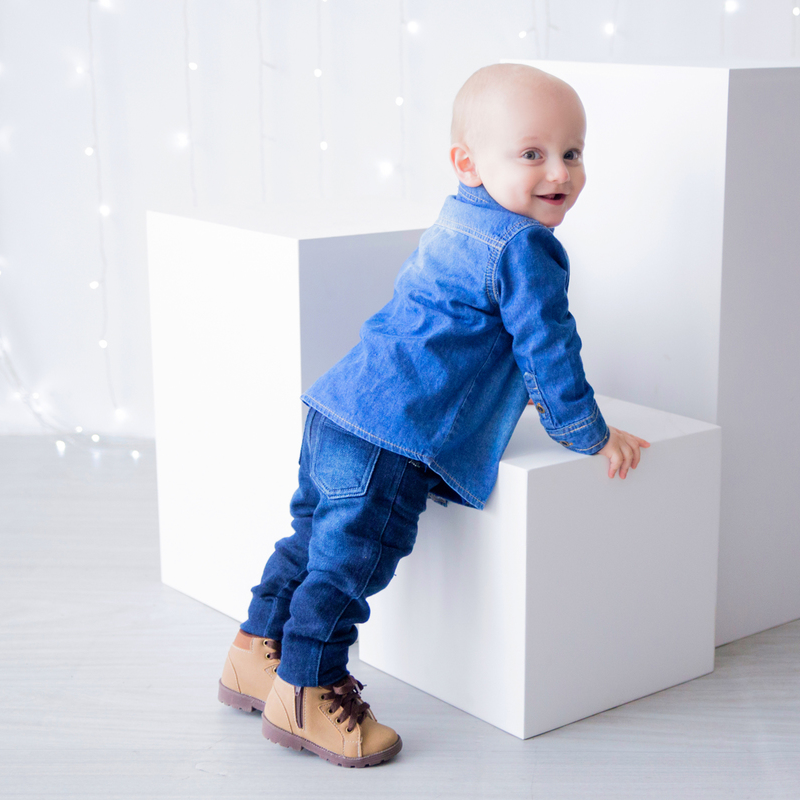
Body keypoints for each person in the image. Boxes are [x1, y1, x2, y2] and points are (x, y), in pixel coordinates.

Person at [216, 63, 650, 768]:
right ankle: (305, 691)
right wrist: (587, 432)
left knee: (310, 542)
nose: (560, 172)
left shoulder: (459, 219)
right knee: (347, 571)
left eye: (573, 153)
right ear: (467, 163)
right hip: (393, 436)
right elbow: (549, 347)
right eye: (532, 153)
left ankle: (253, 656)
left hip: (336, 407)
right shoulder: (524, 246)